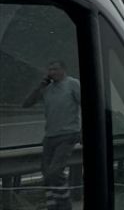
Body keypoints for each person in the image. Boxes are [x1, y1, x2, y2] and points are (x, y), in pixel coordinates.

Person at [22, 60, 81, 210]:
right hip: (50, 135)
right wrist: (40, 87)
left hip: (68, 133)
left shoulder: (73, 84)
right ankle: (53, 206)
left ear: (63, 70)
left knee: (55, 172)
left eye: (55, 69)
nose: (51, 73)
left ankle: (64, 205)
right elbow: (27, 103)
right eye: (49, 70)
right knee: (47, 173)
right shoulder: (47, 88)